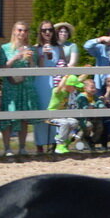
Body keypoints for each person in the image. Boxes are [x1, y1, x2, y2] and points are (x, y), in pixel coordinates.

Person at [0, 21, 38, 156]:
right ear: (14, 31)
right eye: (20, 30)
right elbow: (1, 68)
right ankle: (7, 148)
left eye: (25, 30)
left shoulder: (31, 49)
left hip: (26, 87)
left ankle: (22, 147)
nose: (22, 33)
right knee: (8, 117)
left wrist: (31, 60)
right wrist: (15, 58)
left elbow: (35, 71)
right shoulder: (5, 48)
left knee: (24, 118)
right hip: (11, 86)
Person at [30, 20, 63, 153]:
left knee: (55, 111)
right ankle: (40, 145)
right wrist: (43, 55)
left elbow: (62, 63)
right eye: (44, 30)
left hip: (55, 80)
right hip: (41, 80)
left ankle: (56, 143)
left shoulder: (58, 47)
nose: (47, 32)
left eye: (49, 29)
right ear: (40, 32)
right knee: (42, 111)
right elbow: (38, 67)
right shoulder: (36, 47)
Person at [48, 74, 86, 154]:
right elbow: (59, 88)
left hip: (63, 116)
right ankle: (60, 144)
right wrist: (65, 77)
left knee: (74, 122)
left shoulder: (69, 91)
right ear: (68, 85)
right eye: (74, 86)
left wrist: (87, 71)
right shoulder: (58, 92)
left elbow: (79, 80)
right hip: (53, 115)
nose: (76, 88)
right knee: (65, 123)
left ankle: (65, 140)